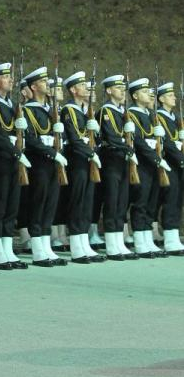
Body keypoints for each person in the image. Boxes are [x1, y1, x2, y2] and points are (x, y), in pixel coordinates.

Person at [0, 62, 30, 271]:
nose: (11, 80)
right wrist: (16, 152)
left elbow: (14, 133)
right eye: (5, 76)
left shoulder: (11, 105)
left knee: (12, 205)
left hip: (13, 159)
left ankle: (7, 247)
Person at [23, 67, 69, 267]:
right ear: (33, 87)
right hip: (39, 163)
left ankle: (46, 245)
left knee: (50, 204)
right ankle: (37, 248)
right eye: (43, 82)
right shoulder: (27, 110)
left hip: (53, 163)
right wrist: (52, 153)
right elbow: (31, 140)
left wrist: (62, 134)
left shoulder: (51, 111)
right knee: (38, 203)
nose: (47, 85)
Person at [60, 71, 104, 264]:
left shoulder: (86, 112)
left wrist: (97, 131)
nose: (87, 88)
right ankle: (76, 246)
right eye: (83, 85)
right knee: (78, 202)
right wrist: (91, 153)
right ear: (73, 90)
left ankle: (84, 242)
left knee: (87, 202)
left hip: (88, 162)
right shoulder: (68, 111)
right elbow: (74, 139)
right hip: (77, 161)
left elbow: (96, 139)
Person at [127, 76, 170, 258]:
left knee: (151, 203)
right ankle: (139, 241)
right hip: (143, 164)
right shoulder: (132, 114)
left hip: (153, 164)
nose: (149, 95)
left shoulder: (150, 115)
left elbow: (153, 140)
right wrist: (156, 158)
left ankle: (147, 239)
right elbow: (139, 141)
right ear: (135, 95)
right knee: (141, 202)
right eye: (144, 92)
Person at [97, 73, 136, 260]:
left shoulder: (122, 112)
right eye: (118, 88)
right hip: (111, 159)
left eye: (123, 88)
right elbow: (111, 137)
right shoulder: (106, 111)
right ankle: (111, 243)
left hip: (123, 160)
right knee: (112, 201)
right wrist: (126, 144)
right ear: (109, 90)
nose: (122, 91)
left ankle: (119, 241)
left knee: (122, 202)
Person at [155, 81, 184, 254]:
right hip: (169, 163)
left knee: (177, 200)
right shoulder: (159, 116)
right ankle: (169, 238)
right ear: (162, 99)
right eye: (170, 95)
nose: (174, 98)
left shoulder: (175, 117)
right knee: (170, 200)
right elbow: (167, 143)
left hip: (178, 163)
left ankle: (174, 236)